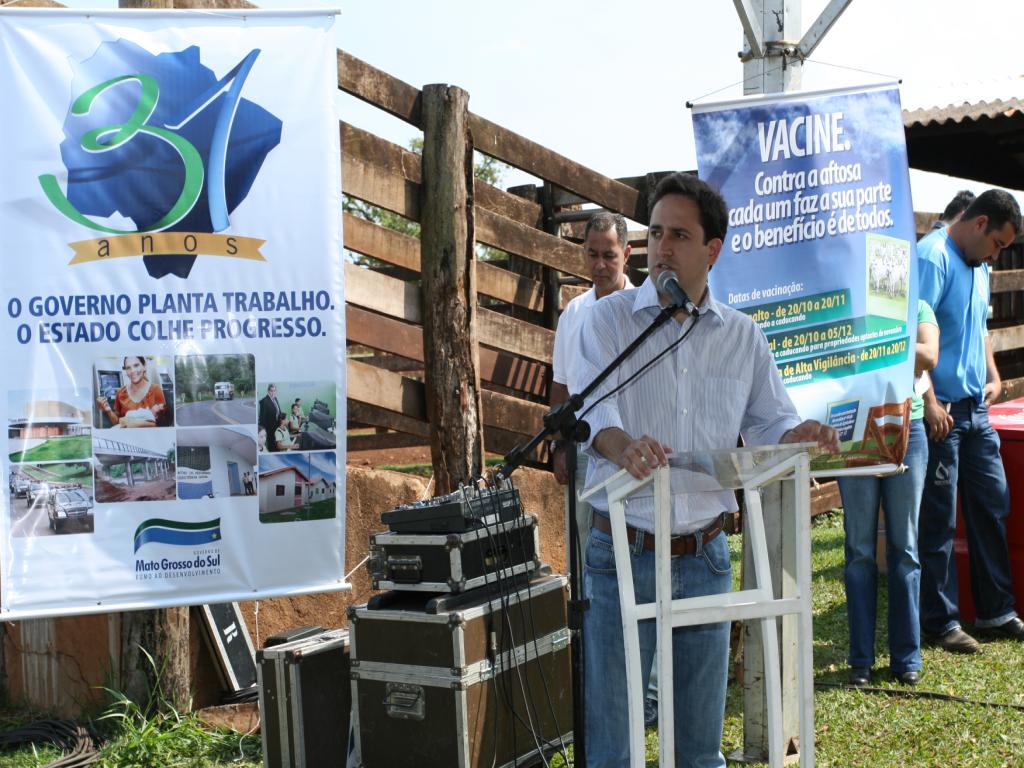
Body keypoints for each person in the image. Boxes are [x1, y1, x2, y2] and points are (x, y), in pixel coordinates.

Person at [576, 172, 839, 767]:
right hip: (624, 548)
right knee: (614, 743)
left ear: (712, 250)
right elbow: (596, 413)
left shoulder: (744, 337)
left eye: (679, 236)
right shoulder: (611, 321)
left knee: (698, 745)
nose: (662, 247)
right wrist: (622, 446)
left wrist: (797, 436)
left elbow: (771, 424)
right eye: (655, 233)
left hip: (706, 553)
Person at [917, 188, 1024, 652]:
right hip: (942, 412)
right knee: (939, 518)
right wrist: (930, 402)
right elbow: (910, 334)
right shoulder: (932, 257)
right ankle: (939, 622)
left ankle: (995, 610)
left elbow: (980, 326)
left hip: (976, 410)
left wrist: (995, 375)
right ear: (979, 223)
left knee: (992, 504)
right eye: (999, 244)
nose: (999, 255)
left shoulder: (979, 264)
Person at [838, 300, 938, 687]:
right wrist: (894, 348)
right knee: (859, 551)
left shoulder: (918, 305)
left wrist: (877, 342)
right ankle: (860, 660)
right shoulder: (849, 303)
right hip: (857, 431)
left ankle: (906, 658)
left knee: (905, 549)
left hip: (908, 432)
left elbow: (929, 355)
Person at [96, 356, 166, 428]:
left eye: (136, 365)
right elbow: (117, 422)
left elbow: (162, 424)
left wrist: (133, 424)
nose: (132, 371)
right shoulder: (120, 392)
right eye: (128, 368)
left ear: (144, 367)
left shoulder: (156, 390)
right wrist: (108, 410)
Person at [259, 384, 283, 452]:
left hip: (277, 427)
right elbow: (262, 418)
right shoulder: (264, 401)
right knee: (272, 447)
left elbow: (278, 412)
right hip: (270, 430)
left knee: (277, 445)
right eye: (271, 391)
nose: (273, 392)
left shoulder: (275, 398)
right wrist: (264, 432)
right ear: (268, 391)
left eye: (274, 390)